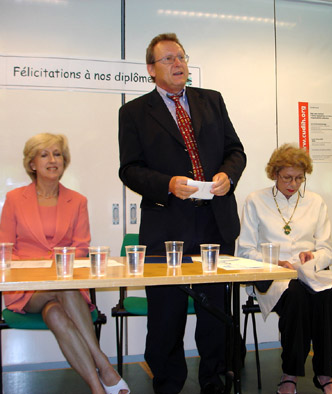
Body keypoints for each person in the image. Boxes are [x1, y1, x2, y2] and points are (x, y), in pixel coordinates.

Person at [118, 33, 246, 394]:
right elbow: (129, 169)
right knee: (166, 315)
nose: (178, 64)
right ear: (150, 69)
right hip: (166, 225)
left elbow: (236, 151)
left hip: (215, 222)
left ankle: (215, 381)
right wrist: (167, 183)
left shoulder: (212, 101)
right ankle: (169, 384)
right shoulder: (134, 112)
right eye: (168, 59)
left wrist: (227, 175)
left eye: (182, 57)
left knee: (215, 314)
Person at [0, 133, 129, 394]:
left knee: (55, 312)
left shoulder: (77, 201)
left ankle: (96, 387)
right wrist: (45, 270)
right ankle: (104, 364)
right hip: (26, 288)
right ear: (32, 163)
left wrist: (57, 271)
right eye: (44, 154)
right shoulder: (14, 199)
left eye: (57, 154)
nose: (52, 160)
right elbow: (5, 249)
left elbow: (81, 248)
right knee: (64, 290)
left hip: (66, 284)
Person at [238, 144, 332, 394]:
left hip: (309, 273)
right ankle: (290, 374)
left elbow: (327, 249)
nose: (293, 184)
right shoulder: (255, 200)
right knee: (296, 297)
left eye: (299, 178)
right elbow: (245, 251)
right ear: (274, 174)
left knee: (327, 297)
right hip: (272, 277)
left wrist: (313, 256)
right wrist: (274, 262)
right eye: (287, 177)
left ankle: (325, 373)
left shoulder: (315, 202)